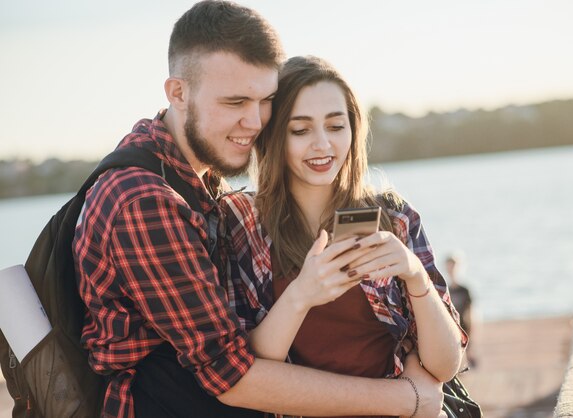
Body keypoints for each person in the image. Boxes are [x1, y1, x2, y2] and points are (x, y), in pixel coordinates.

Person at [73, 1, 446, 417]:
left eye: (265, 99)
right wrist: (409, 398)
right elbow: (230, 374)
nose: (255, 122)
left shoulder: (194, 175)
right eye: (235, 102)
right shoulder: (145, 200)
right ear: (178, 93)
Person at [221, 55, 468, 418]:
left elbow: (445, 366)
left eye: (336, 126)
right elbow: (251, 366)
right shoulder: (243, 223)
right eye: (300, 130)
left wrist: (415, 275)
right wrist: (302, 294)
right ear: (274, 136)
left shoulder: (395, 216)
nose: (322, 145)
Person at [444, 253, 476, 368]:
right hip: (451, 329)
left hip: (464, 328)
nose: (451, 268)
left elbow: (471, 312)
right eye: (449, 265)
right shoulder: (445, 290)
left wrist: (472, 331)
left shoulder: (464, 290)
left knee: (465, 362)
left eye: (453, 265)